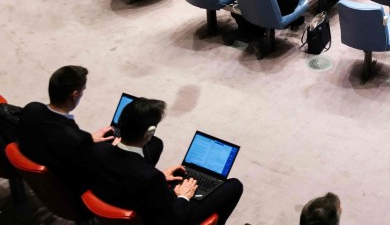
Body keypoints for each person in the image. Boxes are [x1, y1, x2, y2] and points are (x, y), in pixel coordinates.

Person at [90, 97, 244, 225]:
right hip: (158, 218)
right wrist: (182, 196)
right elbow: (173, 219)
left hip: (118, 204)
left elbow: (129, 177)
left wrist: (161, 178)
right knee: (234, 186)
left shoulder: (97, 150)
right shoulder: (150, 177)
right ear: (150, 132)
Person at [17, 65, 119, 195]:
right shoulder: (76, 140)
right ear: (75, 95)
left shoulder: (31, 109)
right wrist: (112, 152)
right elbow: (92, 172)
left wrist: (89, 139)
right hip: (69, 195)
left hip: (41, 184)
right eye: (83, 90)